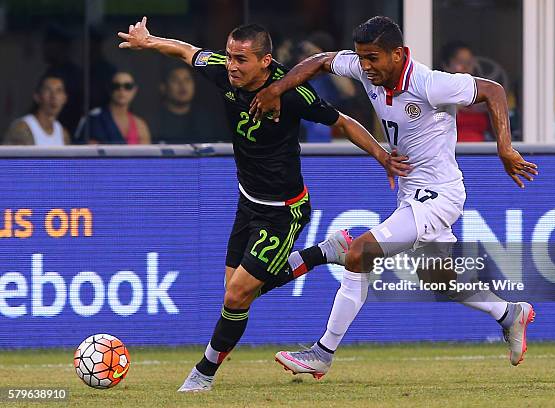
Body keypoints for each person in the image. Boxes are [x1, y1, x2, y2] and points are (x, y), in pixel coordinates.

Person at [117, 17, 408, 392]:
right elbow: (187, 52)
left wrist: (383, 157)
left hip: (283, 210)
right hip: (247, 201)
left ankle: (201, 376)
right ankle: (324, 252)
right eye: (230, 56)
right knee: (234, 294)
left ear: (265, 61)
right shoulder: (223, 71)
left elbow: (344, 122)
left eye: (241, 59)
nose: (232, 66)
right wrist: (149, 40)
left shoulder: (291, 92)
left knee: (238, 294)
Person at [250, 16, 538, 377]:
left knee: (359, 252)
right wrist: (277, 89)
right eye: (361, 58)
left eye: (373, 58)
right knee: (439, 278)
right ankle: (511, 313)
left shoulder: (431, 84)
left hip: (439, 195)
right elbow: (322, 61)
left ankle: (322, 353)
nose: (365, 67)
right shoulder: (364, 67)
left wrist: (505, 149)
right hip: (411, 191)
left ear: (399, 54)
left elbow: (493, 90)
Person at [153, 66, 231, 143]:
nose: (182, 85)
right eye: (175, 80)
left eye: (187, 80)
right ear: (163, 87)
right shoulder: (155, 121)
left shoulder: (207, 120)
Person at [74, 71, 151, 144]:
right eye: (116, 86)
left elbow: (147, 156)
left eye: (128, 86)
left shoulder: (140, 125)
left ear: (134, 90)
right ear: (109, 89)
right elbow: (87, 153)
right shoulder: (94, 118)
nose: (122, 90)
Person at [440, 41, 492, 142]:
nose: (466, 67)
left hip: (481, 153)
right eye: (460, 62)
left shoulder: (478, 94)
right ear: (446, 65)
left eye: (469, 63)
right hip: (451, 153)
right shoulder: (438, 95)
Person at [3, 74, 70, 145]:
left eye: (59, 91)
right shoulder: (22, 128)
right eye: (48, 90)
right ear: (37, 97)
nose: (53, 96)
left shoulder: (63, 134)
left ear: (64, 98)